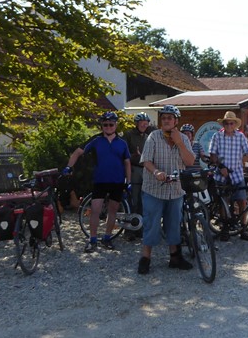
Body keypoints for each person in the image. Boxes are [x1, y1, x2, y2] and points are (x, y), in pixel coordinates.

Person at [137, 105, 196, 274]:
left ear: (176, 121)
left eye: (170, 118)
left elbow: (190, 161)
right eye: (164, 118)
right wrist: (156, 172)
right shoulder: (153, 137)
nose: (166, 120)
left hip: (175, 190)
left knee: (174, 224)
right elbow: (146, 160)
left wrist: (179, 142)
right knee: (151, 223)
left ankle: (175, 257)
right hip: (154, 188)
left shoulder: (183, 138)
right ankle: (146, 258)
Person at [64, 111, 131, 253]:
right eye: (105, 124)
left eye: (111, 124)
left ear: (115, 125)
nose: (108, 127)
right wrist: (69, 167)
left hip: (117, 181)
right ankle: (92, 240)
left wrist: (129, 181)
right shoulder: (95, 140)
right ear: (102, 126)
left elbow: (127, 163)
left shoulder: (122, 143)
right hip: (100, 181)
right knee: (95, 211)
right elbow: (77, 152)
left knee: (112, 211)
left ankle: (107, 238)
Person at [209, 111, 248, 242]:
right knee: (223, 202)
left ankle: (243, 229)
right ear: (224, 124)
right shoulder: (217, 136)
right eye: (227, 123)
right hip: (222, 175)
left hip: (237, 174)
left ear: (235, 124)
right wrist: (220, 166)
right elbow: (212, 155)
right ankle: (224, 229)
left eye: (231, 123)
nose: (229, 125)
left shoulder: (240, 137)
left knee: (242, 201)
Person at [123, 112, 154, 225]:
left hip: (145, 170)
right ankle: (129, 229)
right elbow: (123, 153)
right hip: (133, 169)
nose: (144, 125)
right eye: (142, 123)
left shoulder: (148, 136)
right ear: (137, 123)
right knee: (133, 200)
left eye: (146, 123)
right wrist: (133, 156)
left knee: (144, 201)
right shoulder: (129, 135)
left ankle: (140, 226)